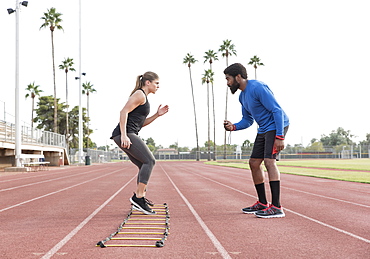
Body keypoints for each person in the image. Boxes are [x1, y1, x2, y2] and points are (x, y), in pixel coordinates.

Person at [223, 63, 289, 218]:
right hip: (263, 129)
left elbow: (277, 110)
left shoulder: (258, 87)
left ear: (238, 76)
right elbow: (247, 120)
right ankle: (262, 202)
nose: (227, 83)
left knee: (269, 162)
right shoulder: (242, 96)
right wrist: (233, 127)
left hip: (276, 125)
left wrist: (280, 136)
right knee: (253, 163)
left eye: (228, 79)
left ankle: (277, 207)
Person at [111, 72, 169, 215]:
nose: (158, 86)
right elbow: (123, 112)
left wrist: (157, 115)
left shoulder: (143, 98)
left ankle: (139, 198)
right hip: (124, 134)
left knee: (143, 164)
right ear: (148, 82)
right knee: (150, 161)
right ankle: (138, 198)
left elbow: (140, 124)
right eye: (157, 83)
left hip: (128, 133)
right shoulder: (140, 94)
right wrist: (124, 135)